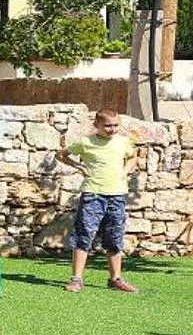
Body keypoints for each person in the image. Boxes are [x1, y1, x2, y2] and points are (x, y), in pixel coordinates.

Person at [59, 107, 145, 293]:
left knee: (115, 237)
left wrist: (125, 171)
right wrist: (79, 168)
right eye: (107, 126)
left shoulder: (123, 142)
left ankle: (115, 279)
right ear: (96, 125)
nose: (112, 129)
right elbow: (62, 155)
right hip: (93, 195)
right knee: (84, 235)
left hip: (117, 196)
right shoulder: (86, 142)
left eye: (115, 125)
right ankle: (76, 279)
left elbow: (133, 157)